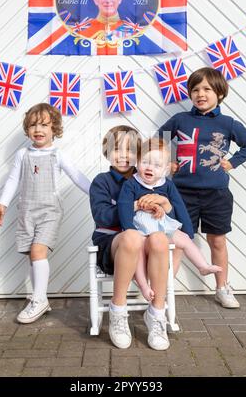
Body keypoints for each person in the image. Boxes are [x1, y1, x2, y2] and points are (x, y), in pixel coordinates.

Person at [159, 67, 246, 308]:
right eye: (195, 89)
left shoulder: (228, 123)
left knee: (217, 241)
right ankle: (165, 290)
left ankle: (222, 288)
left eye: (207, 89)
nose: (200, 94)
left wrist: (232, 162)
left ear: (220, 94)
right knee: (179, 240)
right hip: (182, 193)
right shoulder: (180, 120)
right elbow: (156, 140)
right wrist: (166, 162)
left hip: (217, 194)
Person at [0, 103, 90, 323]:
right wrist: (3, 203)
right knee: (32, 255)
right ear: (27, 129)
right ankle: (41, 296)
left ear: (54, 128)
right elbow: (12, 180)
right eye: (33, 125)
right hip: (27, 211)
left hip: (49, 211)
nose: (38, 129)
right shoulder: (22, 154)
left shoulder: (58, 155)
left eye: (44, 125)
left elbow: (77, 176)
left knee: (38, 251)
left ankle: (38, 301)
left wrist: (98, 194)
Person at [89, 126, 170, 351]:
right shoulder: (102, 181)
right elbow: (102, 216)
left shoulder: (149, 178)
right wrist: (131, 205)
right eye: (117, 148)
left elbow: (169, 214)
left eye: (130, 150)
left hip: (146, 245)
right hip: (112, 244)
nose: (124, 155)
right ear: (107, 151)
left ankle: (156, 314)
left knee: (160, 240)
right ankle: (118, 309)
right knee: (132, 236)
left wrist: (162, 205)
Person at [118, 138, 222, 302]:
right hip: (141, 230)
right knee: (137, 251)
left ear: (166, 169)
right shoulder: (131, 184)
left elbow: (179, 207)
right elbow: (123, 207)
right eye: (145, 162)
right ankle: (144, 286)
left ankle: (202, 266)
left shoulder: (167, 185)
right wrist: (128, 228)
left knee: (184, 240)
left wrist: (188, 231)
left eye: (157, 165)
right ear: (137, 163)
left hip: (163, 226)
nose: (150, 167)